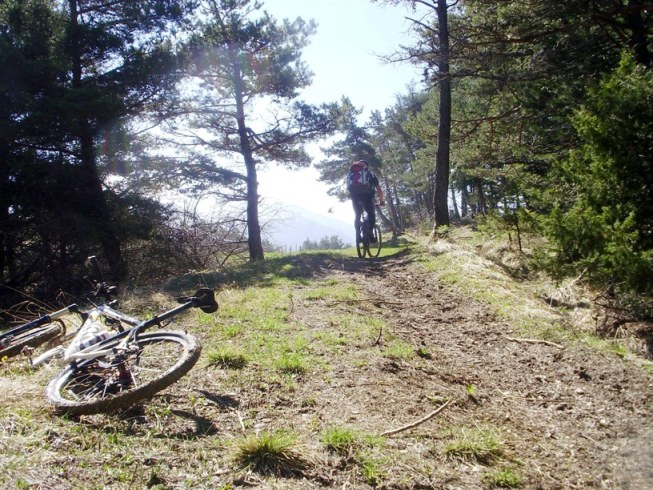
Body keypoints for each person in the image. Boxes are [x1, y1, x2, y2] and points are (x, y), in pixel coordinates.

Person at [347, 160, 385, 243]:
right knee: (371, 213)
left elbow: (349, 187)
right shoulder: (371, 174)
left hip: (355, 197)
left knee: (357, 215)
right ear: (366, 167)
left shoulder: (351, 174)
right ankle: (370, 231)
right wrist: (381, 201)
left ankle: (358, 235)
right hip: (367, 197)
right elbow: (379, 189)